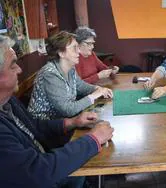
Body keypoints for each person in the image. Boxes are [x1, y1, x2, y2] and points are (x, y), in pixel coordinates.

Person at [0, 35, 114, 187]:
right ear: (61, 53)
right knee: (83, 166)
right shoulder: (49, 73)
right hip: (47, 148)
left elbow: (36, 126)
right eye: (13, 65)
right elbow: (36, 172)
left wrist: (74, 121)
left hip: (46, 141)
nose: (20, 69)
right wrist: (93, 139)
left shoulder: (8, 101)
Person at [28, 31, 113, 120]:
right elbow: (67, 109)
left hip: (63, 121)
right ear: (61, 53)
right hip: (44, 126)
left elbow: (81, 86)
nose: (79, 51)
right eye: (74, 48)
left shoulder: (70, 68)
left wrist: (97, 89)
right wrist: (94, 95)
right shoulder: (50, 74)